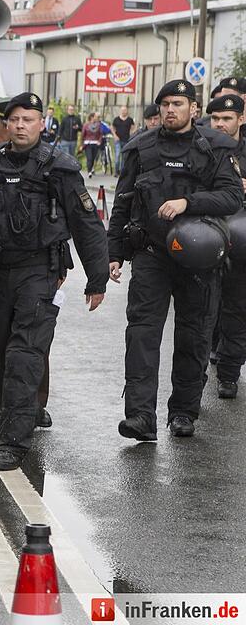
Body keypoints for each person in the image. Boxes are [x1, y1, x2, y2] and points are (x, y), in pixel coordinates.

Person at [0, 92, 108, 470]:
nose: (20, 126)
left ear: (41, 123)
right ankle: (13, 414)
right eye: (14, 119)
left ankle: (13, 442)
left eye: (28, 119)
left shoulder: (59, 167)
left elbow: (87, 224)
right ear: (5, 123)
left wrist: (96, 278)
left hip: (39, 272)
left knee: (24, 355)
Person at [107, 79, 243, 440]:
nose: (170, 110)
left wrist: (189, 203)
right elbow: (123, 201)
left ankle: (183, 411)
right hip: (151, 253)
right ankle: (139, 416)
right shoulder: (141, 148)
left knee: (194, 337)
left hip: (199, 259)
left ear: (194, 109)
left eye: (178, 104)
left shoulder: (216, 148)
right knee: (142, 335)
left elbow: (231, 197)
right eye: (165, 103)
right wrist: (114, 253)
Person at [205, 94, 246, 398]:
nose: (220, 124)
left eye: (227, 119)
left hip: (241, 242)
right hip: (205, 237)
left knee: (236, 308)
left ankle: (229, 373)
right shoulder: (200, 147)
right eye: (216, 118)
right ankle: (197, 376)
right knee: (203, 310)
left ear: (241, 119)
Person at [112, 105, 135, 171]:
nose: (123, 111)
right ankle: (116, 171)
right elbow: (112, 128)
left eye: (125, 110)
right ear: (120, 111)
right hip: (118, 140)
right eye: (122, 110)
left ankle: (122, 171)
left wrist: (132, 134)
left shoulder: (130, 120)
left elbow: (133, 127)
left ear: (127, 111)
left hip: (126, 140)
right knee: (117, 155)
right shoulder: (116, 119)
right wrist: (115, 135)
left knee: (124, 157)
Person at [81, 112, 103, 177]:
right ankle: (89, 171)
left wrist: (99, 141)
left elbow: (101, 134)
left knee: (93, 158)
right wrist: (82, 144)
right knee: (89, 158)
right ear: (92, 117)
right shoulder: (86, 125)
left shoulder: (98, 125)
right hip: (88, 144)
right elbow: (83, 135)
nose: (97, 118)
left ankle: (91, 169)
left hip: (95, 143)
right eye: (95, 117)